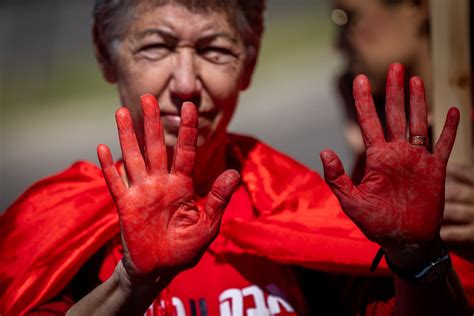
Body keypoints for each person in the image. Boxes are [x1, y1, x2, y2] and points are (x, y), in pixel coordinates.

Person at [0, 1, 471, 315]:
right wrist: (129, 285)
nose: (185, 82)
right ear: (106, 55)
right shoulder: (51, 226)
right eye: (157, 46)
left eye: (214, 49)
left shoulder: (299, 206)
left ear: (249, 59)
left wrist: (417, 256)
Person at [334, 0, 474, 264]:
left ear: (417, 6)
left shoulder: (464, 131)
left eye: (347, 18)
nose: (337, 44)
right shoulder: (379, 144)